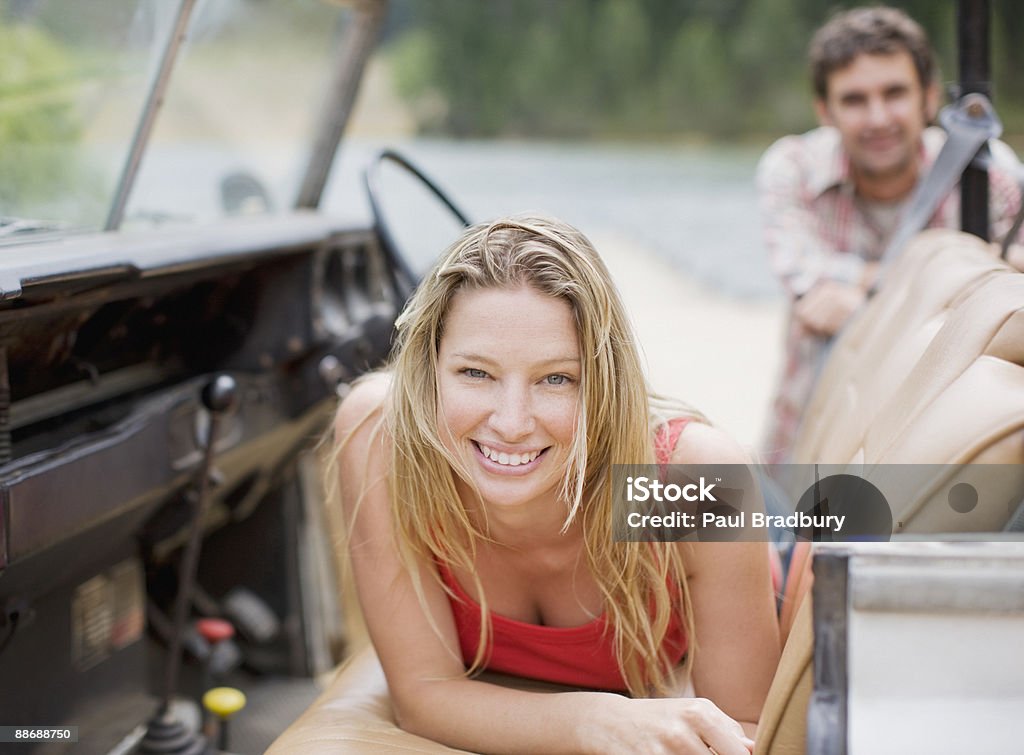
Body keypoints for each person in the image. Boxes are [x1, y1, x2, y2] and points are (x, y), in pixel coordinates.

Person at [331, 216, 780, 754]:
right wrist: (592, 721)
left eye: (556, 379)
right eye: (476, 373)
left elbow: (742, 732)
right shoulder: (380, 435)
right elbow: (421, 694)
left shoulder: (695, 480)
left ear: (604, 384)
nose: (512, 422)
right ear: (429, 369)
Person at [757, 5, 1024, 464]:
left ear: (929, 98)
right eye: (855, 100)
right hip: (809, 432)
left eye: (894, 93)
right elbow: (804, 279)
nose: (878, 117)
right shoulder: (793, 169)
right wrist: (958, 290)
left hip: (949, 440)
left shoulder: (988, 172)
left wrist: (861, 294)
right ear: (825, 110)